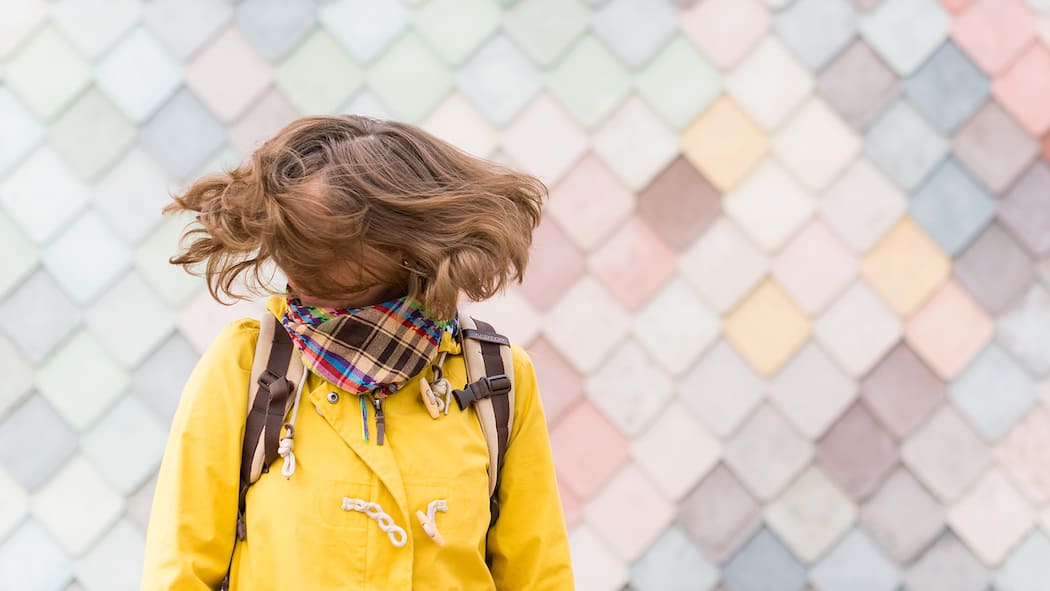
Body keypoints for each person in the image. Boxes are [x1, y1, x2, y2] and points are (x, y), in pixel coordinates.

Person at [140, 115, 573, 590]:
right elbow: (179, 572)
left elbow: (539, 576)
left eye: (321, 248)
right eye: (294, 247)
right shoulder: (247, 365)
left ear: (404, 246)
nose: (298, 275)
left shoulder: (496, 377)